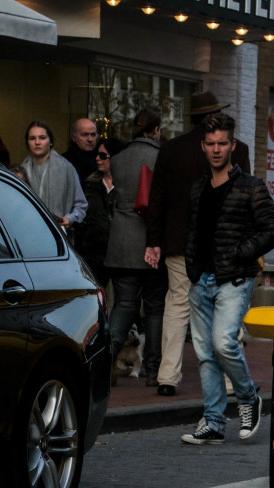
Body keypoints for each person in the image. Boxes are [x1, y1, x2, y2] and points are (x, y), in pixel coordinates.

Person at [179, 113, 274, 446]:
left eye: (222, 143)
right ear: (202, 146)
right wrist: (192, 266)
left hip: (234, 279)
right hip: (201, 280)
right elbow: (194, 231)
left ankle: (248, 395)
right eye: (210, 144)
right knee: (206, 353)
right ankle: (212, 422)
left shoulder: (251, 186)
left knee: (223, 342)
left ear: (232, 145)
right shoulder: (197, 188)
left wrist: (242, 252)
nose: (216, 149)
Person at [144, 90, 251, 397]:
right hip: (223, 244)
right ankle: (231, 381)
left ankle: (167, 377)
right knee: (226, 308)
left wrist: (154, 241)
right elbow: (243, 198)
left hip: (179, 242)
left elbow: (157, 199)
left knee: (177, 306)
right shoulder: (237, 148)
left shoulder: (171, 150)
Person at [105, 109, 166, 387]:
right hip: (151, 241)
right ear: (156, 130)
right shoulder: (161, 157)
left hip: (120, 242)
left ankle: (107, 358)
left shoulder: (117, 159)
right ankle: (153, 371)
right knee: (154, 308)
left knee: (124, 304)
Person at [21, 120, 86, 230]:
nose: (37, 142)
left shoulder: (66, 168)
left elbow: (81, 205)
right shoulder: (22, 170)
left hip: (59, 234)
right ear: (27, 142)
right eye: (32, 138)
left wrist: (69, 219)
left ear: (50, 141)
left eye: (42, 138)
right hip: (27, 232)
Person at [78, 136, 123, 289]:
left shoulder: (126, 185)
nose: (98, 158)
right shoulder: (90, 183)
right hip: (94, 253)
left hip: (119, 254)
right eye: (97, 154)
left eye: (103, 156)